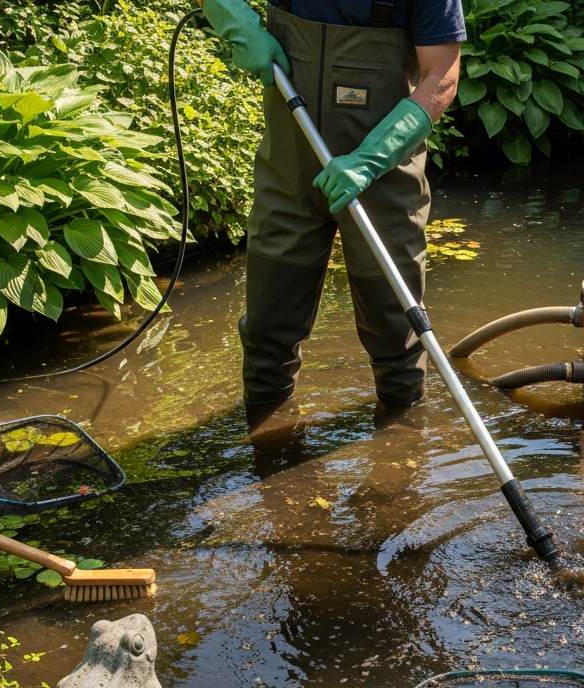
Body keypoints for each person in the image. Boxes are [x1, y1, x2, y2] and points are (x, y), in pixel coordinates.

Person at [199, 0, 464, 419]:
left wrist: (372, 157)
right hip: (288, 174)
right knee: (268, 336)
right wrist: (232, 18)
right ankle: (268, 461)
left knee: (398, 338)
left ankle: (400, 464)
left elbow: (442, 74)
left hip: (382, 179)